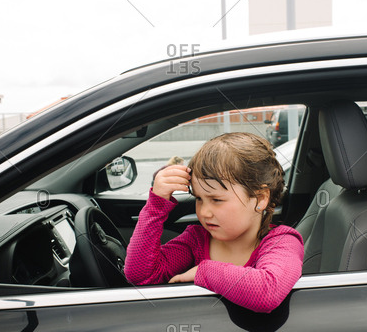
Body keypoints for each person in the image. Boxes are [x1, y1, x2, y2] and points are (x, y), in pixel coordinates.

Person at [125, 132, 304, 313]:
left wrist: (202, 272)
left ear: (260, 198)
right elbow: (141, 276)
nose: (203, 211)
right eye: (199, 199)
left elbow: (267, 292)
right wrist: (156, 205)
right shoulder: (195, 240)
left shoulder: (283, 242)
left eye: (216, 200)